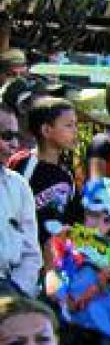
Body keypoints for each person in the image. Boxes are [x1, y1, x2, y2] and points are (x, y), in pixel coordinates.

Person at [9, 96, 77, 250]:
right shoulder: (23, 164)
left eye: (75, 125)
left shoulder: (66, 173)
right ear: (46, 130)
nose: (75, 131)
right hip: (20, 254)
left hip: (51, 259)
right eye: (69, 125)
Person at [0, 148, 40, 296]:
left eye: (15, 136)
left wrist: (15, 290)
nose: (14, 144)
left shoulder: (19, 185)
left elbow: (31, 255)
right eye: (7, 136)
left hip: (10, 289)